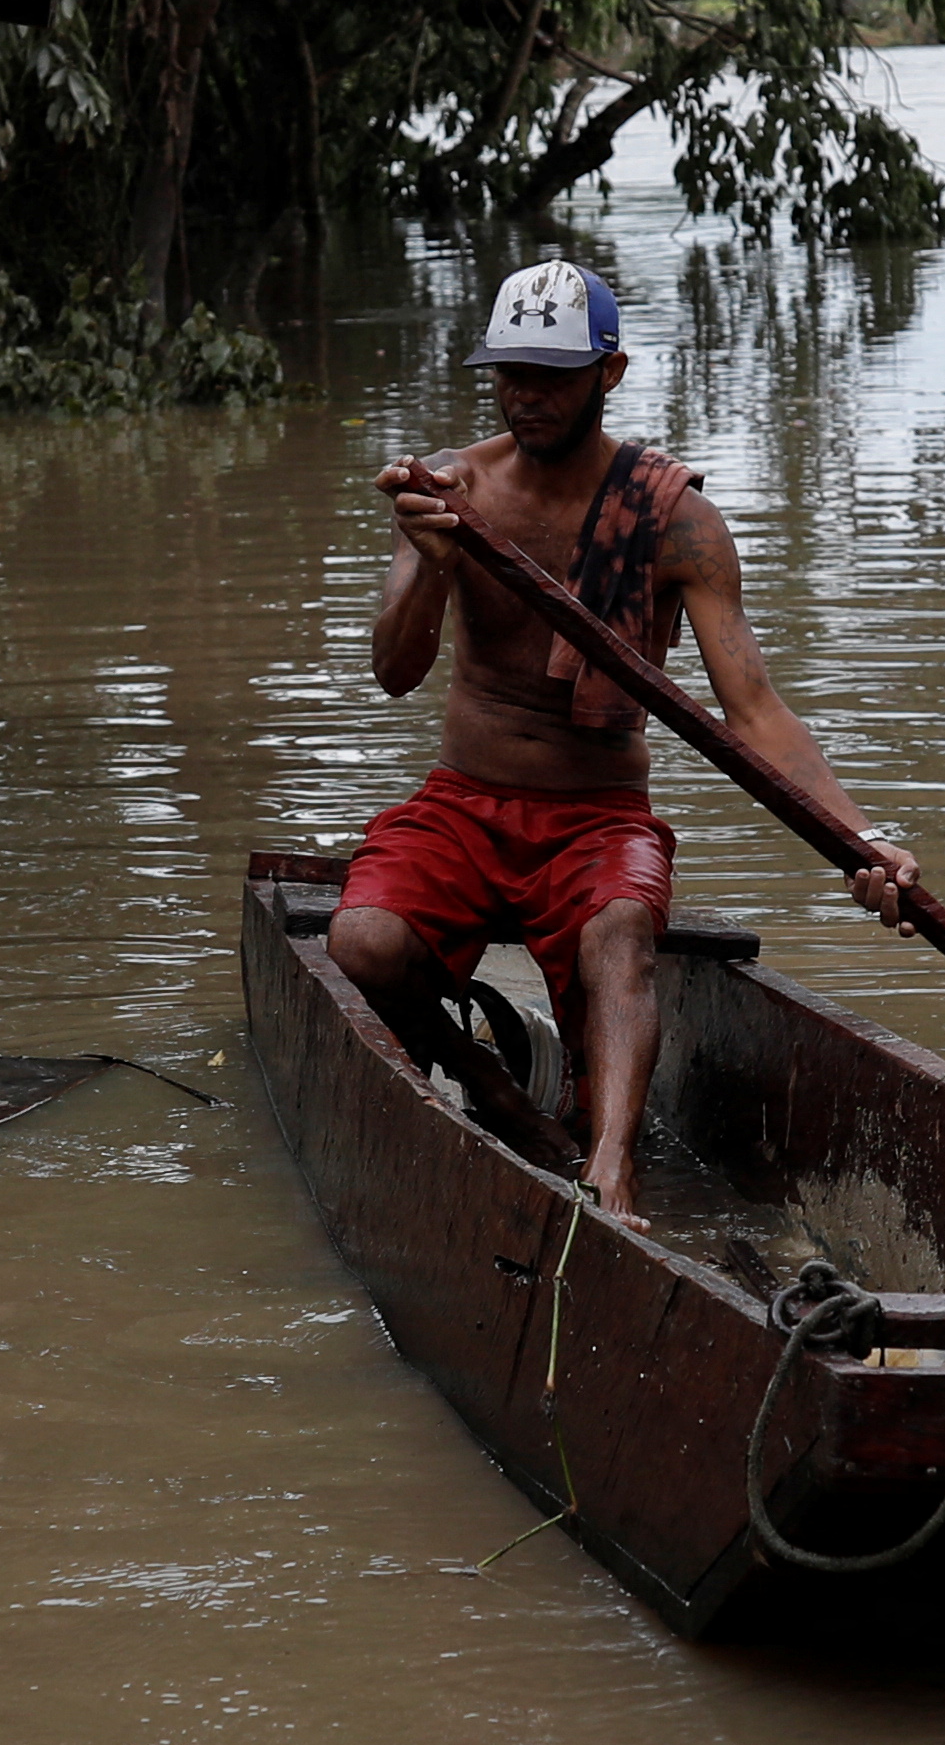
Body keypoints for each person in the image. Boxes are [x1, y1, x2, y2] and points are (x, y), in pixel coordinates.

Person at [348, 258, 915, 1212]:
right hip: (465, 802)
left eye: (551, 376)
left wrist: (857, 840)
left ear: (608, 374)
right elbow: (396, 672)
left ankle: (609, 1166)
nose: (524, 397)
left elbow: (755, 711)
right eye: (508, 374)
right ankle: (488, 1083)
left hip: (597, 814)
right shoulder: (452, 490)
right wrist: (433, 565)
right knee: (361, 941)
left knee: (618, 931)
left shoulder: (675, 521)